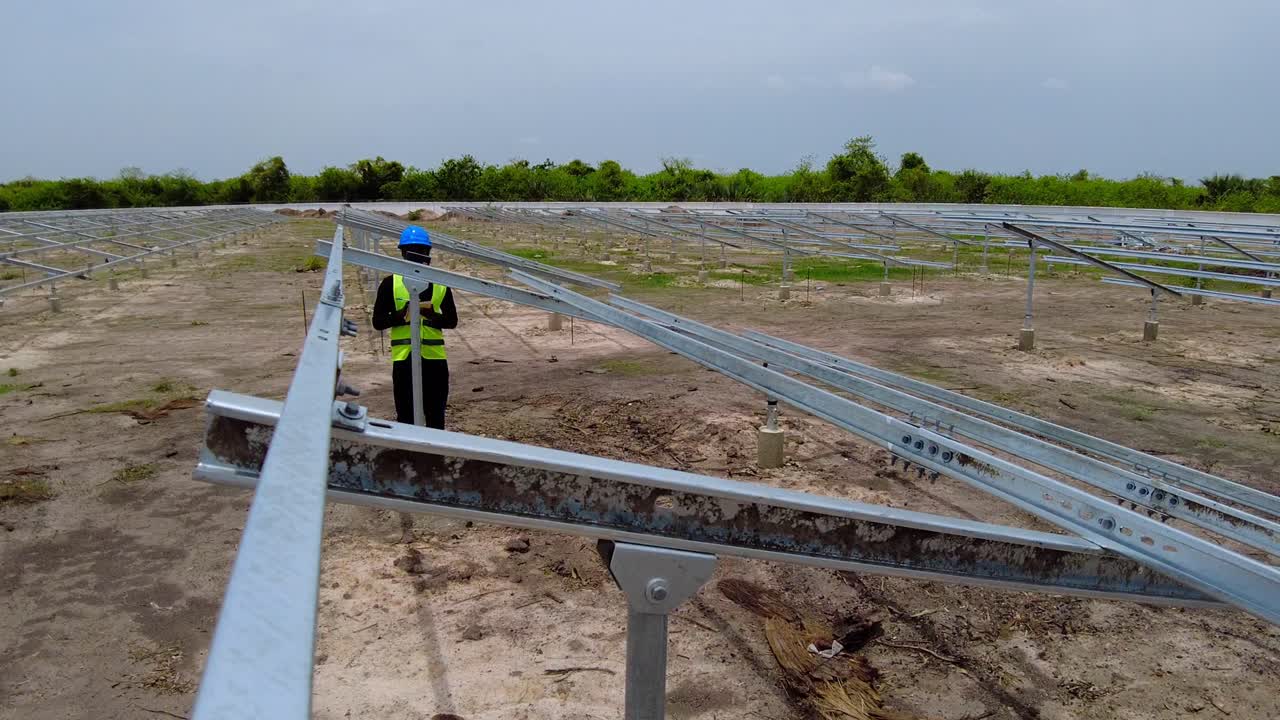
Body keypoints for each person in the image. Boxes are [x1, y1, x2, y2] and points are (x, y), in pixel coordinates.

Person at [370, 225, 458, 429]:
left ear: (427, 253)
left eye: (420, 250)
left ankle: (433, 457)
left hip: (434, 359)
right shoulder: (390, 284)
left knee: (435, 414)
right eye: (412, 251)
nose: (417, 255)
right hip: (404, 359)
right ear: (402, 253)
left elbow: (451, 321)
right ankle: (409, 457)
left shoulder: (440, 284)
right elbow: (378, 321)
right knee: (406, 415)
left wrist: (432, 315)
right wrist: (400, 316)